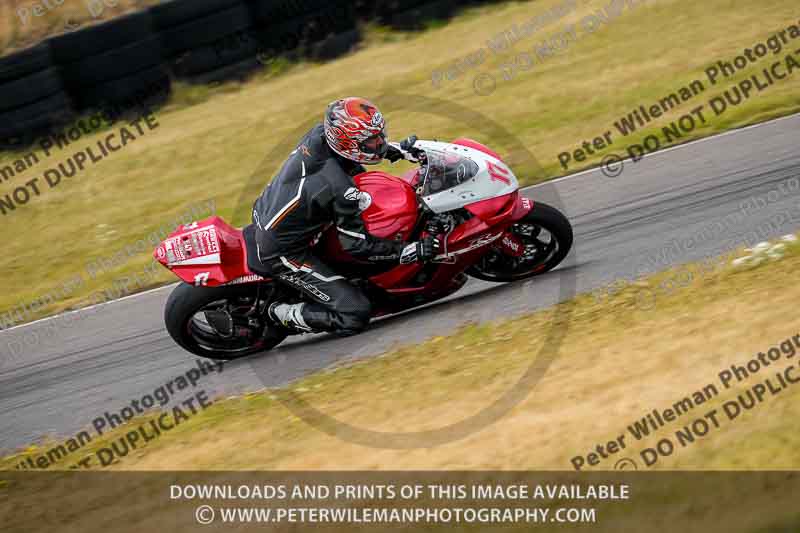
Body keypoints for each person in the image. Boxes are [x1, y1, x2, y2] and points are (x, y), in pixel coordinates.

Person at [251, 97, 439, 336]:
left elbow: (347, 161)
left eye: (380, 135)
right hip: (283, 251)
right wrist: (408, 251)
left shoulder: (321, 134)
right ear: (346, 142)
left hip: (267, 209)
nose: (379, 142)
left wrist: (394, 150)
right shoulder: (341, 190)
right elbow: (358, 247)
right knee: (355, 313)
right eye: (372, 140)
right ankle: (280, 313)